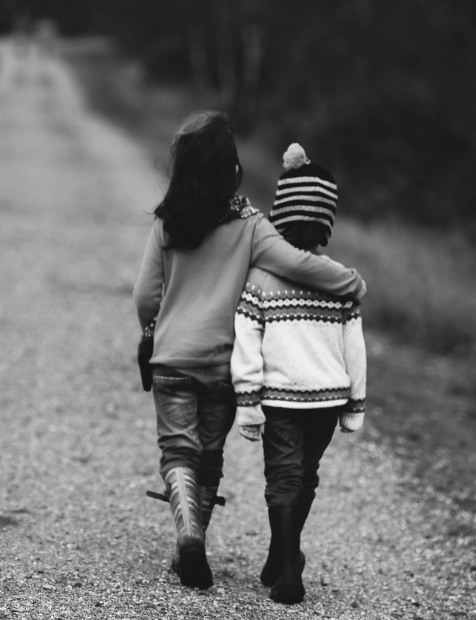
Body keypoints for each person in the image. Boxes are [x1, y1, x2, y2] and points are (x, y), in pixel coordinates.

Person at [132, 114, 367, 590]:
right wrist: (351, 283)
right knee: (209, 456)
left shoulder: (167, 224)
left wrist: (155, 331)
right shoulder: (251, 226)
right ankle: (196, 538)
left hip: (172, 360)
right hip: (223, 365)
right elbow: (298, 264)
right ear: (231, 170)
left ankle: (189, 534)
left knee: (178, 450)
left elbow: (144, 296)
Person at [230, 143, 367, 605]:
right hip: (327, 400)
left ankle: (288, 567)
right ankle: (281, 554)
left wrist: (247, 403)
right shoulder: (338, 280)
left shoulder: (261, 278)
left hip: (281, 399)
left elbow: (246, 342)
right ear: (326, 224)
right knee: (305, 476)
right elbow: (355, 348)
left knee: (283, 479)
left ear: (278, 217)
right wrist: (356, 404)